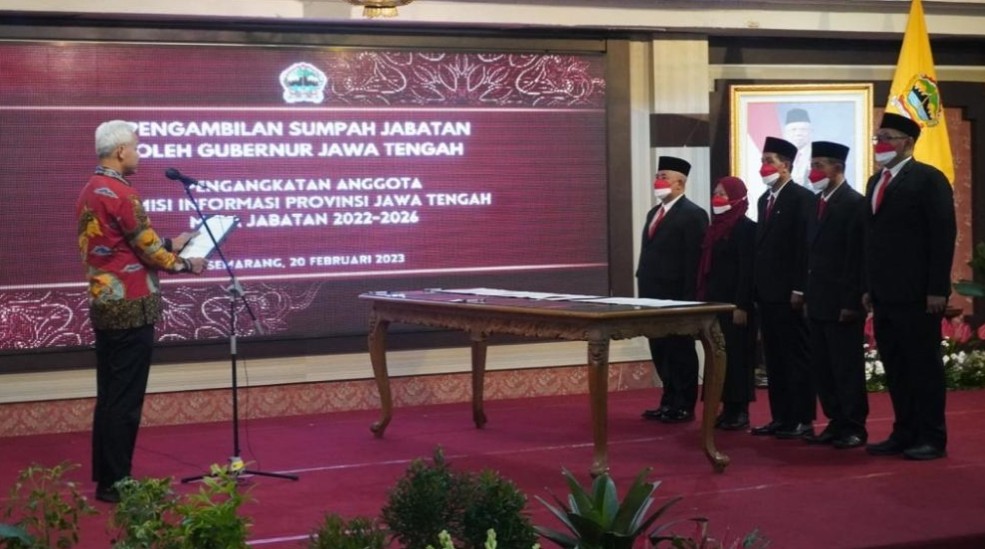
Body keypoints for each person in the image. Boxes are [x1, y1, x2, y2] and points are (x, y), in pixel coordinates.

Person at [77, 120, 206, 502]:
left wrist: (170, 242)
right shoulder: (123, 193)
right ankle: (117, 484)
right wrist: (186, 262)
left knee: (110, 397)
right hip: (131, 307)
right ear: (120, 151)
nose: (138, 153)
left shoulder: (91, 189)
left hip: (106, 304)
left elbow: (120, 244)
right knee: (125, 402)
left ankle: (108, 479)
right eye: (135, 147)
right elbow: (148, 251)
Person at [863, 113, 956, 461]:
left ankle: (932, 436)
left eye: (887, 137)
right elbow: (871, 239)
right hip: (884, 293)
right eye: (878, 138)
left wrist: (937, 289)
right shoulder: (875, 181)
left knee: (923, 368)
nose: (880, 144)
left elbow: (942, 235)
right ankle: (904, 432)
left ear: (908, 143)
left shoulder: (928, 179)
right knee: (897, 367)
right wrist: (868, 285)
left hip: (917, 294)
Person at [803, 141, 869, 449]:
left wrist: (851, 301)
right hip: (818, 299)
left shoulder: (854, 203)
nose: (813, 171)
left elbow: (857, 257)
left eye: (819, 166)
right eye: (812, 165)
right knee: (823, 367)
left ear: (838, 168)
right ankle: (835, 420)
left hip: (842, 302)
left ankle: (854, 425)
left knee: (846, 367)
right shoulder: (816, 203)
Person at [750, 136, 816, 439]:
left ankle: (802, 418)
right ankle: (781, 417)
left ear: (786, 165)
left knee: (795, 357)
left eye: (769, 161)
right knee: (774, 359)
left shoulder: (801, 198)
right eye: (762, 161)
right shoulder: (765, 200)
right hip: (768, 293)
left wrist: (800, 288)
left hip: (790, 294)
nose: (764, 166)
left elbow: (805, 248)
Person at [638, 156, 709, 423]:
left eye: (664, 177)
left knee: (680, 350)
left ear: (679, 183)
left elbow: (694, 261)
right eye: (657, 176)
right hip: (652, 295)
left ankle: (684, 404)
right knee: (660, 349)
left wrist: (690, 300)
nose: (658, 181)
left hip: (677, 296)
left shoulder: (693, 214)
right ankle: (668, 400)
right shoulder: (653, 213)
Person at [696, 176, 757, 430]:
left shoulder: (745, 228)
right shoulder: (715, 228)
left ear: (736, 197)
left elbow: (747, 270)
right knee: (718, 355)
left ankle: (739, 410)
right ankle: (725, 407)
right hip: (715, 303)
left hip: (735, 305)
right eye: (715, 193)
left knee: (737, 356)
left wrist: (742, 305)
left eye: (723, 194)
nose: (717, 198)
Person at [783, 108, 813, 187]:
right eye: (793, 130)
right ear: (785, 133)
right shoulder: (778, 158)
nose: (798, 134)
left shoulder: (820, 156)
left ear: (810, 132)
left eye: (803, 129)